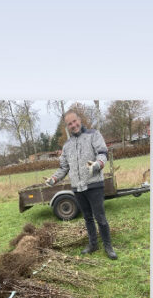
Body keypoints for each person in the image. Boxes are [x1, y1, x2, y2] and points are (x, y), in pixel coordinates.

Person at [45, 110, 117, 259]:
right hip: (77, 188)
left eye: (75, 121)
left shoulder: (93, 135)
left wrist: (98, 164)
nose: (73, 125)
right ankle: (93, 244)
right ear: (67, 126)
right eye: (69, 123)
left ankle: (108, 246)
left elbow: (103, 153)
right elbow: (64, 167)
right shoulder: (67, 146)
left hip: (94, 184)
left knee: (100, 218)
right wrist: (54, 179)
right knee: (87, 218)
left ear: (80, 120)